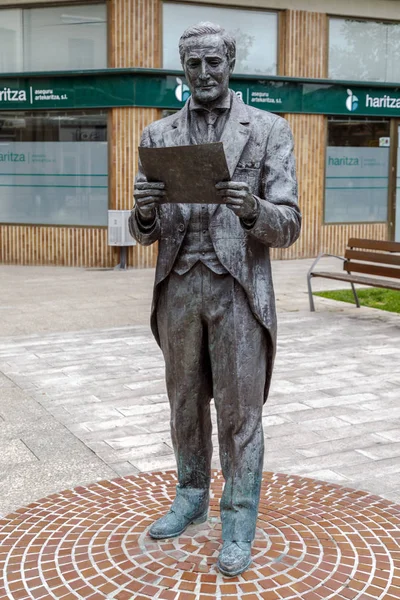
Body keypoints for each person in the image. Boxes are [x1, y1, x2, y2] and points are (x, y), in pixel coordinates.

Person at [129, 22, 301, 577]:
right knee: (184, 403)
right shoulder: (158, 136)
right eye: (193, 64)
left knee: (239, 410)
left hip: (237, 287)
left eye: (213, 62)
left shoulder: (269, 129)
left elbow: (289, 224)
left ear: (229, 62)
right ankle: (191, 493)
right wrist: (146, 210)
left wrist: (252, 208)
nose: (203, 74)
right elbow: (143, 231)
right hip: (179, 286)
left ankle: (239, 517)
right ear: (183, 69)